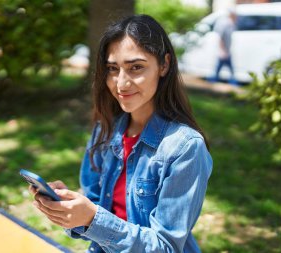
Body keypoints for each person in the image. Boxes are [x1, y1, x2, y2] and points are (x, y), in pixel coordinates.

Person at [30, 14, 213, 253]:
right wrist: (69, 206)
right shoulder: (105, 131)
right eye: (113, 69)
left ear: (164, 65)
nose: (121, 83)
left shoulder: (184, 147)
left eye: (136, 67)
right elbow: (95, 208)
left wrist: (92, 219)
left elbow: (165, 247)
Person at [211, 9, 238, 85]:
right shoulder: (226, 24)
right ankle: (232, 81)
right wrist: (223, 50)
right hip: (224, 51)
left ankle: (214, 79)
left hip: (227, 50)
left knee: (222, 66)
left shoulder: (231, 24)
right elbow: (221, 38)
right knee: (225, 66)